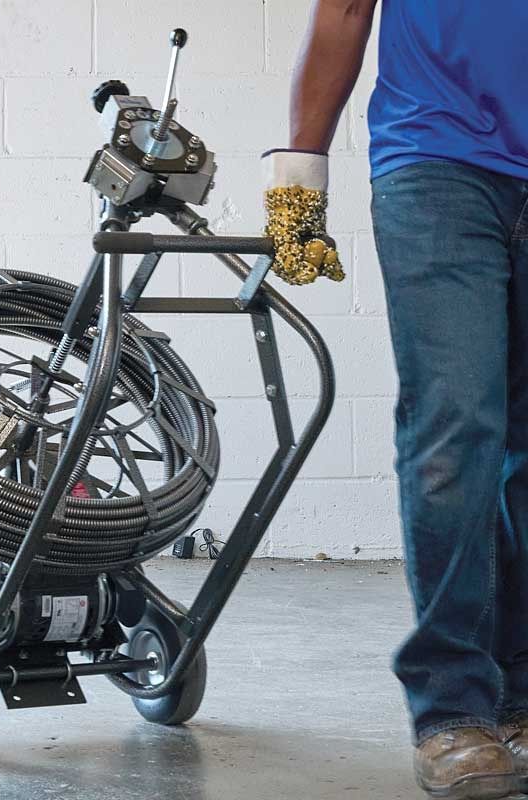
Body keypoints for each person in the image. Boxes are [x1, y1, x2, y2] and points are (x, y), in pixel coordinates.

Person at [262, 1, 528, 798]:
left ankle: (520, 694)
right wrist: (298, 178)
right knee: (456, 426)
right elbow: (344, 8)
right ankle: (453, 711)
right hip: (438, 159)